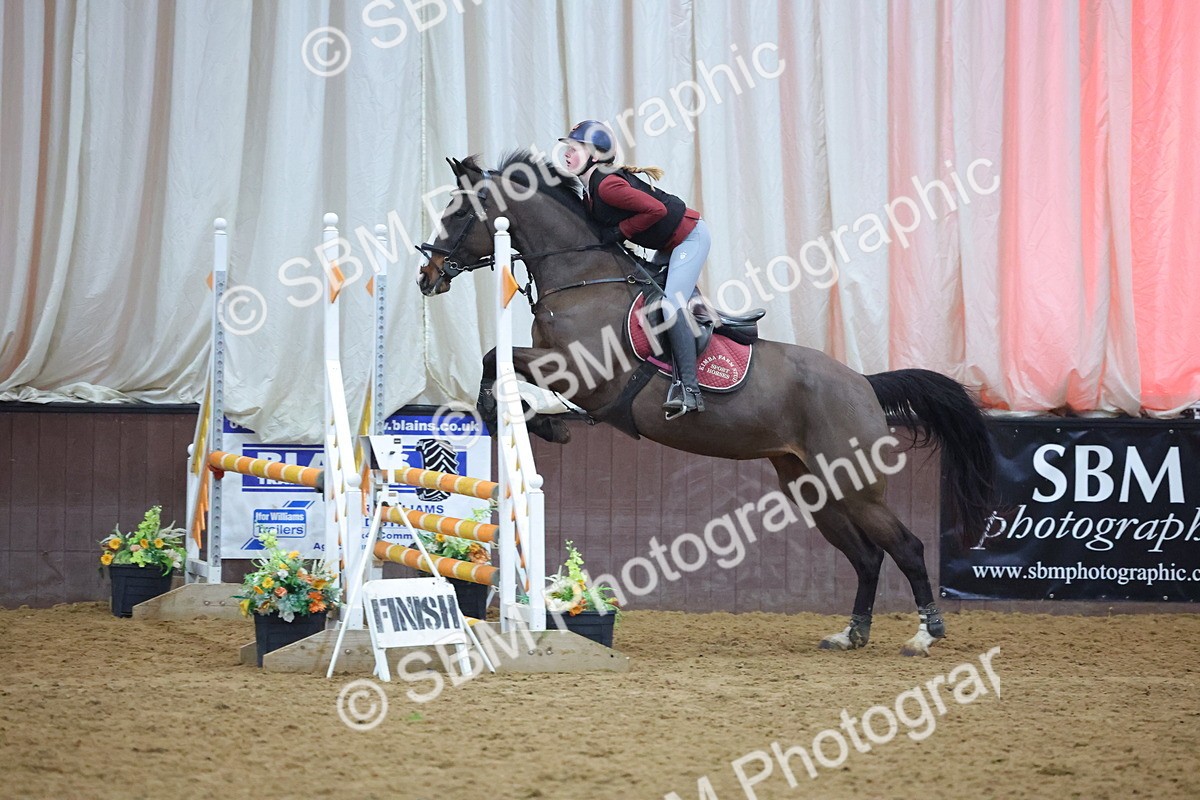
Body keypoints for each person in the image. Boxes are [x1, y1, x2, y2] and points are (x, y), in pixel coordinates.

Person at [559, 120, 710, 417]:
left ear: (594, 155)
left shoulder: (608, 185)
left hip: (689, 239)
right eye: (566, 148)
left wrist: (620, 231)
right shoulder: (591, 187)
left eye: (573, 149)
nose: (566, 154)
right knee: (647, 298)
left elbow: (658, 210)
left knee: (670, 307)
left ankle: (690, 390)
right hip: (669, 244)